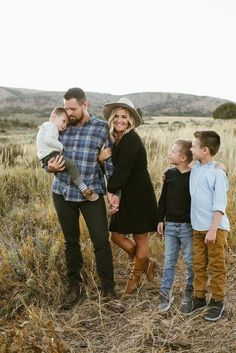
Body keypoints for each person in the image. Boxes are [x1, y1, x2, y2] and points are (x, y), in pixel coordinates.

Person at [47, 88, 119, 308]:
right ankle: (74, 287)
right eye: (66, 108)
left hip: (92, 193)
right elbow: (47, 154)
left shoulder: (101, 129)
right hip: (62, 192)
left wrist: (113, 192)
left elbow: (109, 165)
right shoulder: (59, 128)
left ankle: (108, 289)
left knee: (100, 241)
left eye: (73, 108)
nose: (68, 113)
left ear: (85, 105)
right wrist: (49, 167)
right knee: (71, 242)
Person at [101, 97, 158, 294]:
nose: (119, 119)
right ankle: (147, 263)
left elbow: (122, 170)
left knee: (140, 236)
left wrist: (110, 192)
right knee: (115, 235)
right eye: (116, 116)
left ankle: (134, 279)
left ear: (131, 119)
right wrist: (101, 160)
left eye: (124, 116)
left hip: (139, 193)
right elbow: (112, 168)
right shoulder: (116, 139)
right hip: (125, 192)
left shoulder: (131, 138)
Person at [189, 130, 230, 321]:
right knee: (198, 264)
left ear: (205, 150)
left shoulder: (217, 173)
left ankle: (217, 301)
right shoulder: (196, 167)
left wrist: (213, 229)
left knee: (216, 265)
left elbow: (220, 204)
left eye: (194, 146)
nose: (191, 149)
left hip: (215, 228)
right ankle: (199, 298)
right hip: (197, 227)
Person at [157, 139, 194, 313]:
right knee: (169, 261)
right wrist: (160, 219)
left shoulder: (194, 176)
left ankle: (189, 292)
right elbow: (163, 199)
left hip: (187, 226)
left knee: (190, 261)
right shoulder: (169, 174)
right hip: (170, 225)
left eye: (173, 151)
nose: (169, 153)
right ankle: (165, 294)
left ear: (183, 157)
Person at [36, 106, 99, 201]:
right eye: (63, 121)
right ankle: (84, 189)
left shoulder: (47, 126)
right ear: (53, 116)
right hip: (50, 155)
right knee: (71, 165)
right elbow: (48, 140)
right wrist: (60, 146)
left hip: (45, 157)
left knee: (68, 168)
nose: (65, 125)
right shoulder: (50, 125)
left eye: (67, 123)